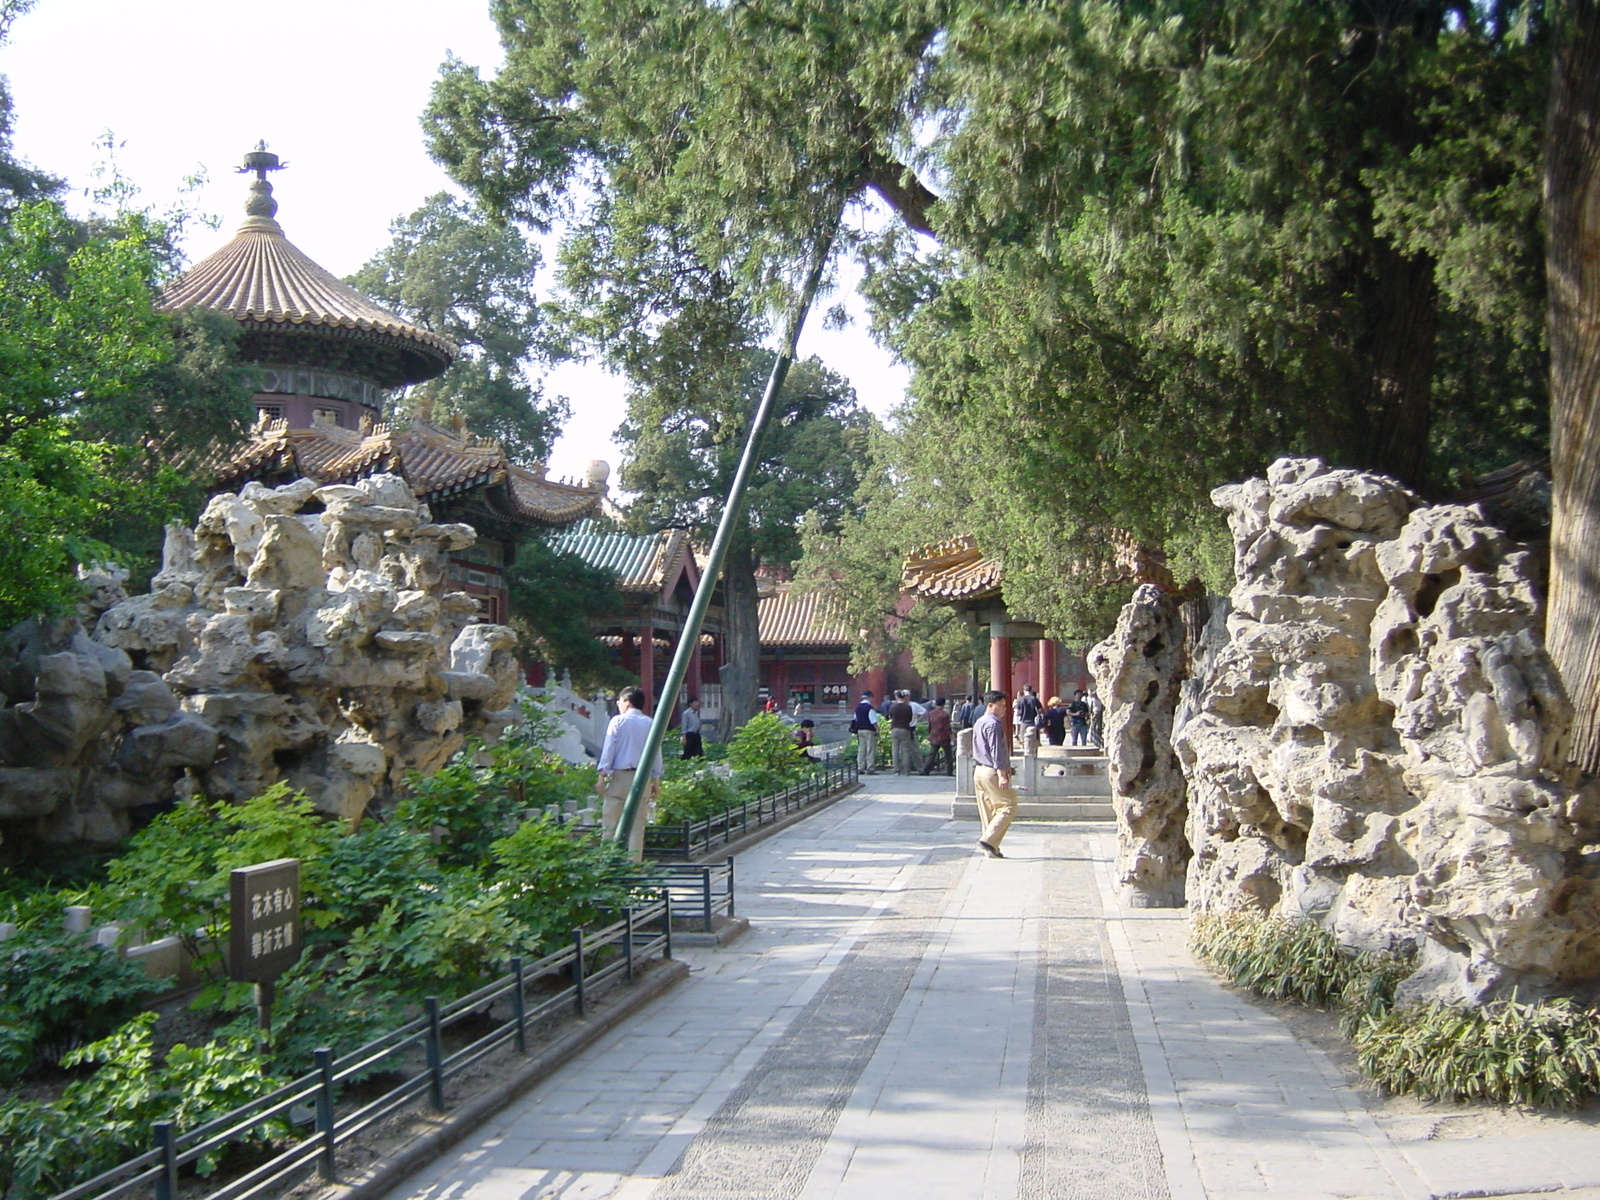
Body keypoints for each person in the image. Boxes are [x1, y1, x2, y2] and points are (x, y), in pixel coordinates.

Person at [595, 686, 663, 860]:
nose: (618, 705)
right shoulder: (650, 723)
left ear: (627, 702)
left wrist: (602, 776)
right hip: (642, 777)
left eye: (620, 701)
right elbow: (656, 752)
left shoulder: (617, 721)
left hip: (620, 777)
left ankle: (607, 862)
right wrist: (656, 780)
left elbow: (609, 749)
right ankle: (634, 866)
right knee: (637, 826)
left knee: (610, 823)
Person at [971, 689, 1019, 857]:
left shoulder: (979, 722)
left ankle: (992, 848)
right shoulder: (993, 724)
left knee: (988, 810)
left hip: (979, 770)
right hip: (991, 770)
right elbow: (996, 750)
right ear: (990, 705)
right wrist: (1002, 774)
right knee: (1008, 806)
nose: (1004, 709)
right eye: (1000, 706)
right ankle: (989, 840)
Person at [888, 689, 923, 774]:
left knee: (895, 749)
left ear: (896, 697)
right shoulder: (908, 707)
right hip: (905, 729)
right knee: (905, 750)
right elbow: (910, 718)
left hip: (895, 728)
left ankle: (896, 769)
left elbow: (890, 717)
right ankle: (906, 770)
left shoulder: (892, 707)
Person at [921, 697, 954, 775]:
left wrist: (929, 734)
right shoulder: (945, 714)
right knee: (948, 755)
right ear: (943, 704)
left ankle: (926, 770)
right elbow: (947, 727)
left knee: (931, 754)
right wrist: (951, 736)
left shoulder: (931, 713)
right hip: (944, 737)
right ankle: (949, 771)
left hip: (934, 735)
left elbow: (929, 725)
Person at [850, 690, 880, 774]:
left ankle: (860, 767)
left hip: (860, 730)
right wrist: (877, 730)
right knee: (870, 749)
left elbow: (855, 719)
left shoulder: (858, 707)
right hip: (869, 730)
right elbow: (873, 720)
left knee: (861, 749)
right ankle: (870, 767)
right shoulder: (869, 707)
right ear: (870, 697)